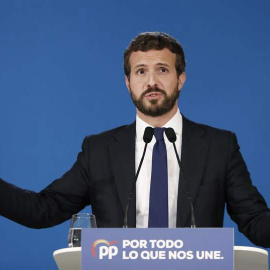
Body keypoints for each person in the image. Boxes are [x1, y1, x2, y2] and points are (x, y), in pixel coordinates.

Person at [0, 32, 269, 247]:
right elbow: (44, 210)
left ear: (181, 79)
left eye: (162, 70)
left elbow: (255, 222)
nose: (151, 81)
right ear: (128, 83)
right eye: (140, 71)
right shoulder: (99, 150)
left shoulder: (219, 146)